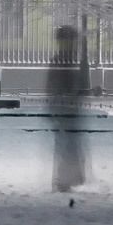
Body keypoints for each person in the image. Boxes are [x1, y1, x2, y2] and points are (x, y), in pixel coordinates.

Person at [47, 24, 88, 192]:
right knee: (68, 145)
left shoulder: (64, 60)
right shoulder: (65, 60)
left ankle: (65, 179)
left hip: (65, 108)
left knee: (66, 144)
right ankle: (65, 179)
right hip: (66, 109)